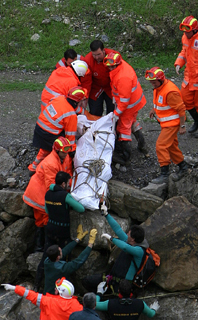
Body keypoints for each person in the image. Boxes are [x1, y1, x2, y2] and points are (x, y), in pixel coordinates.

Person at [34, 171, 85, 292]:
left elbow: (47, 210)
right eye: (68, 182)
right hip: (62, 233)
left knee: (46, 256)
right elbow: (81, 209)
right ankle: (64, 288)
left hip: (50, 229)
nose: (69, 184)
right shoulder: (65, 196)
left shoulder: (48, 194)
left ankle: (37, 284)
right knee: (64, 259)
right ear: (63, 183)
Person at [82, 205, 149, 295]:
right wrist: (106, 214)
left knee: (113, 302)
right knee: (86, 281)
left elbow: (125, 247)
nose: (127, 234)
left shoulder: (139, 251)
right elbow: (118, 230)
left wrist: (111, 239)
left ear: (133, 239)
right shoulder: (130, 241)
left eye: (129, 233)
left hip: (123, 286)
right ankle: (99, 296)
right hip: (111, 278)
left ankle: (100, 297)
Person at [23, 137, 74, 252]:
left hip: (42, 193)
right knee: (44, 219)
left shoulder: (65, 159)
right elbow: (50, 186)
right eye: (63, 151)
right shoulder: (50, 163)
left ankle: (41, 246)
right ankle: (44, 247)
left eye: (67, 151)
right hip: (38, 195)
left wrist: (68, 186)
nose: (66, 153)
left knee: (43, 220)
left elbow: (68, 174)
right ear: (57, 150)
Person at [28, 86, 88, 174]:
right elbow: (70, 139)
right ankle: (62, 171)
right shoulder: (71, 115)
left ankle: (33, 167)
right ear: (77, 101)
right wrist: (73, 153)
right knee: (62, 149)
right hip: (50, 133)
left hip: (39, 128)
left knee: (45, 149)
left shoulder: (59, 98)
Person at [103, 52, 147, 165]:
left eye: (112, 66)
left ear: (117, 64)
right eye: (108, 66)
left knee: (123, 129)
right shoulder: (121, 67)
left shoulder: (122, 77)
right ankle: (142, 145)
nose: (110, 68)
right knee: (132, 122)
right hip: (134, 102)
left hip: (128, 106)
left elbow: (124, 101)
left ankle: (125, 157)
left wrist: (116, 114)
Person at [145, 66, 188, 184]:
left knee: (161, 145)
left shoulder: (170, 92)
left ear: (160, 80)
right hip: (166, 124)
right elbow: (159, 101)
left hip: (172, 125)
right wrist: (154, 109)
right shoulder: (159, 87)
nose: (152, 84)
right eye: (151, 82)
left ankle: (164, 173)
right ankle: (183, 167)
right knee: (171, 146)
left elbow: (181, 109)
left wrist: (182, 126)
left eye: (153, 82)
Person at [44, 227, 97, 294]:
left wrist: (77, 240)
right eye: (60, 251)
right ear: (58, 257)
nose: (62, 251)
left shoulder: (48, 260)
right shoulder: (61, 268)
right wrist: (90, 244)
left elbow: (64, 251)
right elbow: (78, 262)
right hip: (55, 296)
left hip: (47, 293)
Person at [2, 278, 83, 320]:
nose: (55, 289)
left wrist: (14, 288)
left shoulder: (48, 301)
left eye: (56, 288)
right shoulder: (77, 306)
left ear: (60, 292)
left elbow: (31, 295)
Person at [81, 40, 119, 116]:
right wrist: (85, 97)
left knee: (112, 111)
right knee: (95, 111)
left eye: (99, 54)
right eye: (94, 55)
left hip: (110, 87)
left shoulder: (113, 56)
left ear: (103, 50)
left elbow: (118, 75)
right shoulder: (88, 60)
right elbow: (86, 81)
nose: (97, 57)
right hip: (96, 88)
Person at [174, 15, 198, 133]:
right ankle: (197, 121)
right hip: (189, 77)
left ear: (194, 30)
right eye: (184, 31)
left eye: (187, 32)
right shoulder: (185, 37)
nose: (185, 34)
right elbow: (184, 51)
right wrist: (179, 63)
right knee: (185, 100)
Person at [95, 279, 160, 319]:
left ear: (118, 291)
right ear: (131, 292)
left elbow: (94, 305)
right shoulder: (139, 304)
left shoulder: (110, 304)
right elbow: (151, 314)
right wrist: (154, 308)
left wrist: (99, 293)